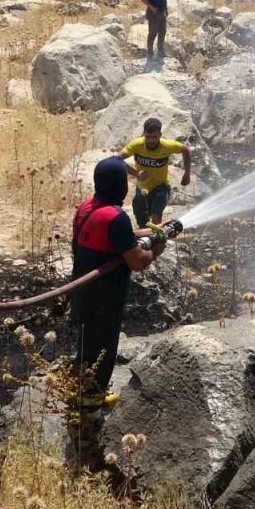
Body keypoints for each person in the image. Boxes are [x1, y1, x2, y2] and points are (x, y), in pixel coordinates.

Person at [69, 156, 167, 432]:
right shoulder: (115, 216)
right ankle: (89, 417)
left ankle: (83, 398)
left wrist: (148, 231)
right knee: (102, 352)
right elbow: (137, 261)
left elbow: (116, 235)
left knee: (87, 349)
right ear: (120, 185)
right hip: (104, 297)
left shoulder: (87, 207)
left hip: (83, 291)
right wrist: (158, 245)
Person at [120, 117, 192, 229]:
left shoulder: (167, 146)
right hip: (142, 188)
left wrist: (187, 173)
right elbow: (117, 159)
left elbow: (186, 150)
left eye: (154, 137)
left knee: (156, 217)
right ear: (143, 134)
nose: (151, 141)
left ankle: (157, 242)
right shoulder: (136, 145)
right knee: (142, 222)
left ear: (160, 134)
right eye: (148, 137)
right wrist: (136, 174)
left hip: (161, 186)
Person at [139, 0, 168, 65]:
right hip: (153, 13)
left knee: (163, 32)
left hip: (162, 11)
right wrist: (151, 7)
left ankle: (160, 51)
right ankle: (150, 52)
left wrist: (166, 9)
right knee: (153, 33)